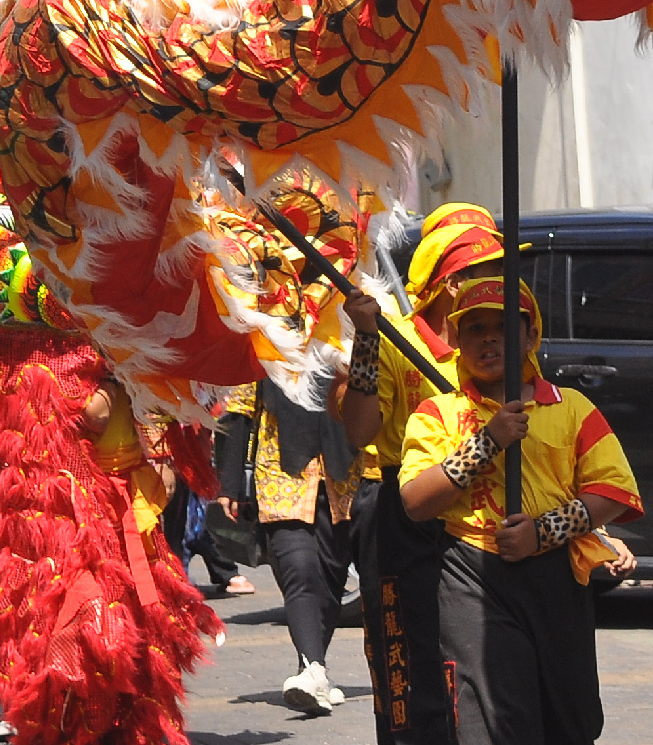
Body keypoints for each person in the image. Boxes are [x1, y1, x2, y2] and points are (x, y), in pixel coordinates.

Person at [399, 277, 641, 745]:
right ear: (457, 342)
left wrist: (544, 532)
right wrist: (487, 443)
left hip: (555, 578)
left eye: (504, 327)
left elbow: (614, 491)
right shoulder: (438, 412)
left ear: (531, 338)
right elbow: (414, 502)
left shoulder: (572, 407)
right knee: (494, 720)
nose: (489, 338)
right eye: (475, 328)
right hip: (470, 577)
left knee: (571, 720)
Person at [340, 207, 504, 743]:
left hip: (478, 512)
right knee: (407, 671)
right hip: (398, 514)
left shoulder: (499, 341)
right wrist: (366, 338)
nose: (503, 284)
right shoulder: (392, 337)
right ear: (453, 284)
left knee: (481, 665)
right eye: (491, 270)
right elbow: (360, 431)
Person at [222, 380, 358, 716]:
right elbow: (239, 409)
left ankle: (313, 670)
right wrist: (228, 482)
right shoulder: (266, 333)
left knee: (331, 577)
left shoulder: (345, 332)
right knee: (299, 569)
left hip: (344, 475)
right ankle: (313, 668)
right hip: (282, 473)